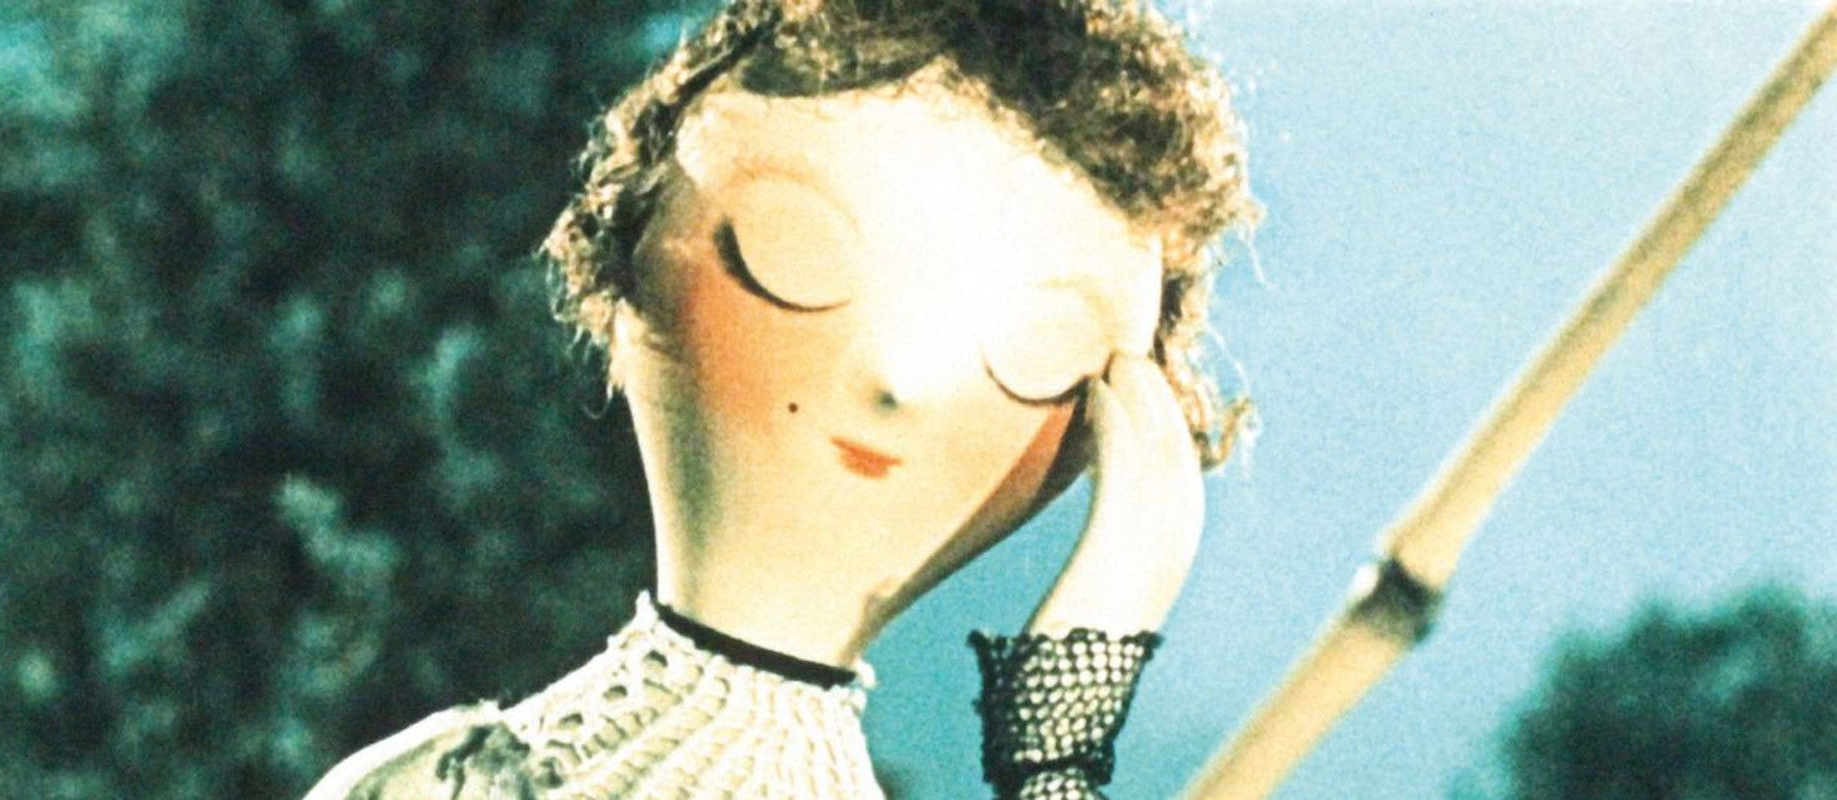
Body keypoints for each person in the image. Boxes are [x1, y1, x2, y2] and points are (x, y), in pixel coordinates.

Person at [301, 0, 1253, 797]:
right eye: (792, 254)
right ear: (628, 241)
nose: (898, 380)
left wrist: (1061, 737)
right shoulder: (434, 777)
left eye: (1034, 352)